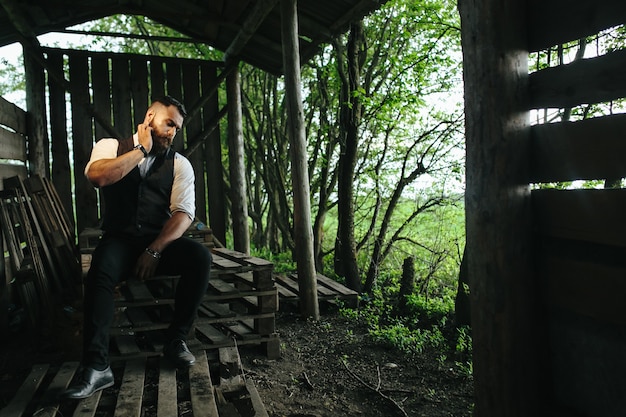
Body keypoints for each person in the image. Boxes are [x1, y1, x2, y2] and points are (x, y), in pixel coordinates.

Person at [62, 96, 212, 400]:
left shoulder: (180, 164)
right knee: (100, 273)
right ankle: (96, 367)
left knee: (199, 257)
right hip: (119, 239)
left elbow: (183, 214)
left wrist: (155, 250)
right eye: (168, 123)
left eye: (177, 129)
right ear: (150, 117)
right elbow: (99, 176)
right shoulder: (109, 146)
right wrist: (140, 150)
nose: (172, 133)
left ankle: (176, 340)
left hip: (157, 241)